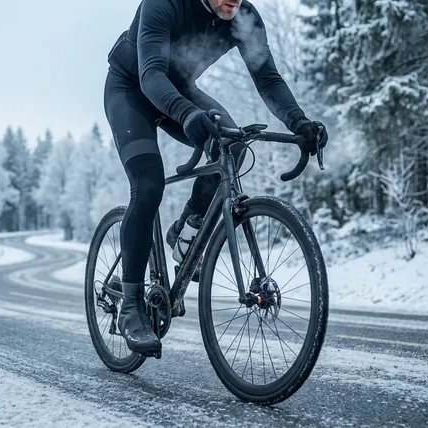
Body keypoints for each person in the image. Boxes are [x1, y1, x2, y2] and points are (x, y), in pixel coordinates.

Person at [103, 0, 328, 356]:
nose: (233, 1)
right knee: (148, 187)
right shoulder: (164, 4)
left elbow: (267, 77)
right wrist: (186, 113)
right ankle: (130, 305)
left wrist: (299, 122)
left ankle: (186, 229)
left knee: (233, 144)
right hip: (133, 88)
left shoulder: (244, 16)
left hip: (178, 89)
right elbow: (150, 75)